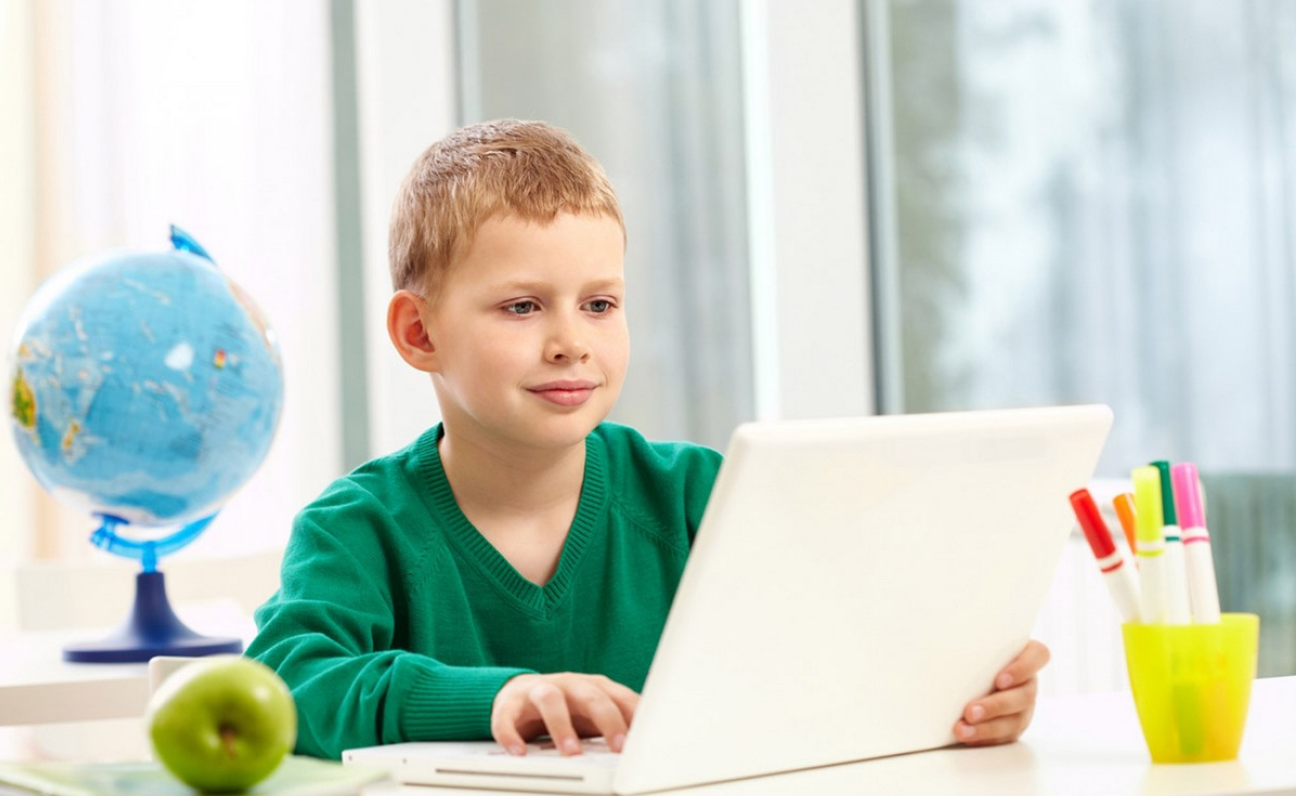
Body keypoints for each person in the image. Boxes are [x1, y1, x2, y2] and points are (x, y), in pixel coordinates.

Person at [246, 118, 1050, 761]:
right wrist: (495, 698)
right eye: (523, 307)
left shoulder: (706, 496)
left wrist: (965, 690)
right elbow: (283, 687)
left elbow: (846, 643)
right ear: (419, 332)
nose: (571, 341)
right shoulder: (354, 529)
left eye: (599, 304)